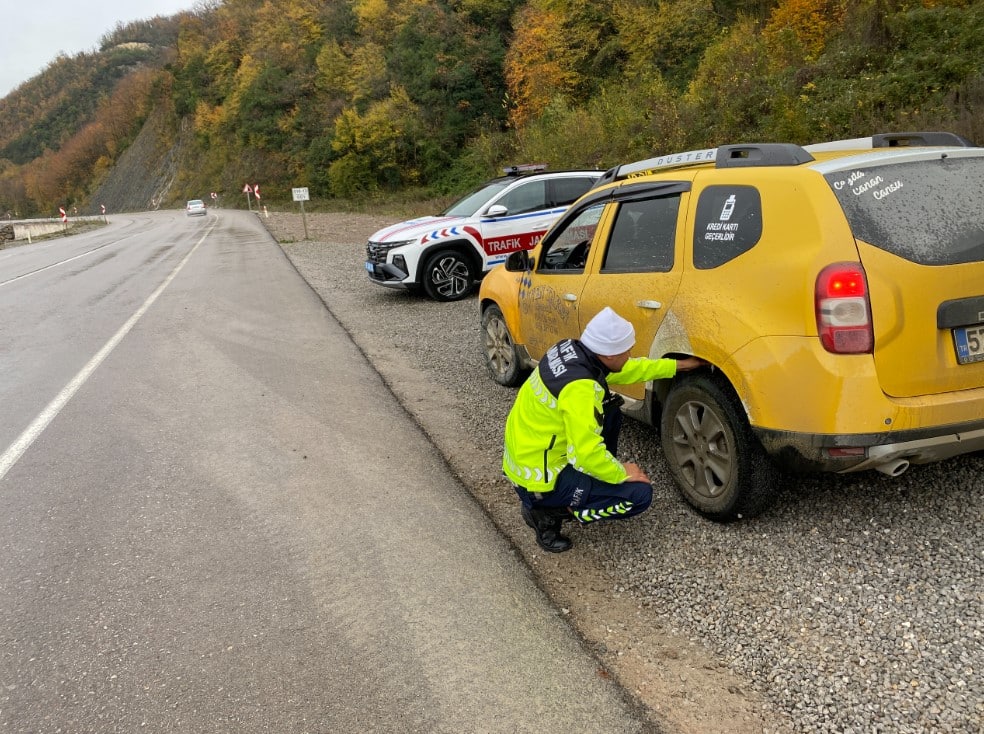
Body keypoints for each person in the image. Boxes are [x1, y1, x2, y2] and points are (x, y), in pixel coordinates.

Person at [502, 307, 706, 552]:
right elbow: (585, 454)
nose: (630, 354)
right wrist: (621, 473)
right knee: (639, 495)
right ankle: (546, 513)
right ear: (608, 355)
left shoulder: (573, 352)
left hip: (529, 454)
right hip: (538, 480)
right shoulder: (580, 389)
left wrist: (677, 366)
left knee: (610, 411)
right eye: (626, 350)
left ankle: (579, 488)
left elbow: (628, 369)